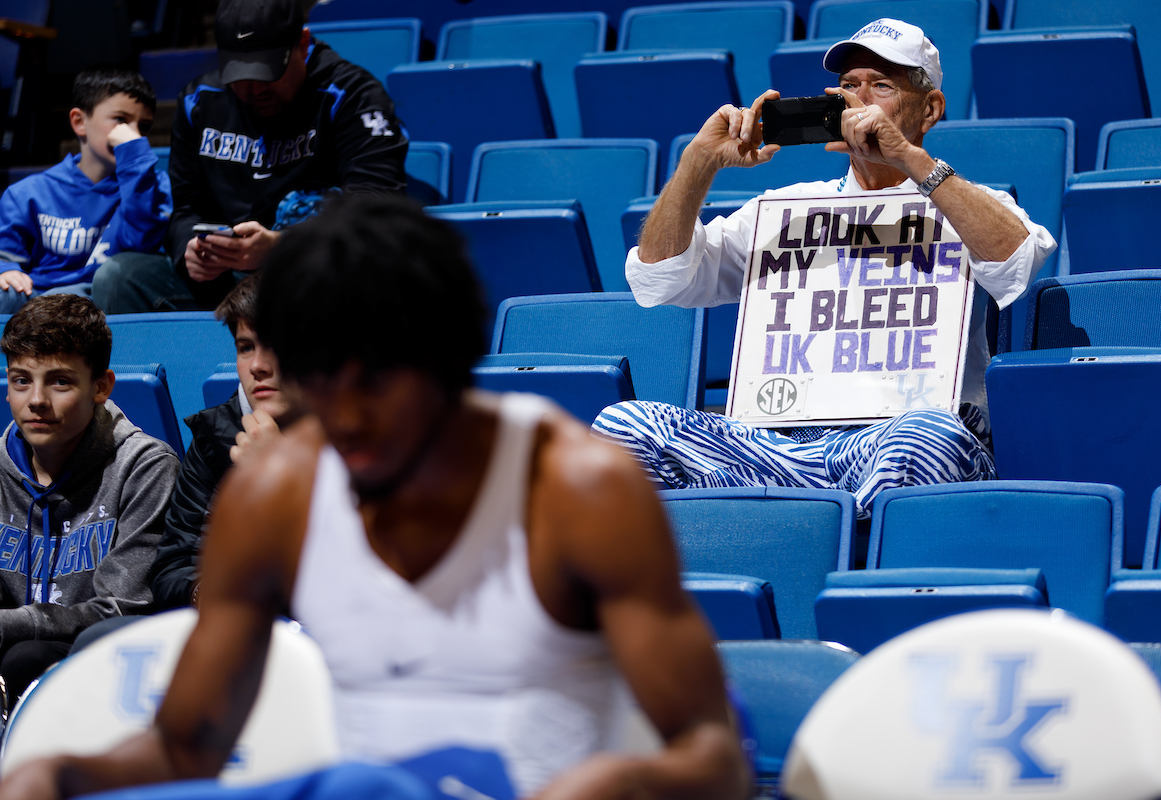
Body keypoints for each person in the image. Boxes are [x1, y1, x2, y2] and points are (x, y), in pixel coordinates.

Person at [0, 195, 747, 800]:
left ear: (449, 365)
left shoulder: (578, 489)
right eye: (320, 380)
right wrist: (59, 774)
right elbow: (187, 745)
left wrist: (625, 779)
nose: (346, 415)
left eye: (374, 385)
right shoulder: (274, 489)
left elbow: (717, 759)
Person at [593, 18, 1057, 519]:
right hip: (779, 445)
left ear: (930, 108)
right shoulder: (783, 209)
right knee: (622, 427)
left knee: (927, 440)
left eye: (882, 86)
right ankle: (765, 534)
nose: (860, 101)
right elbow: (657, 279)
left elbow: (1015, 263)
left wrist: (907, 158)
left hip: (899, 435)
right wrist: (698, 163)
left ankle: (808, 537)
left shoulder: (967, 203)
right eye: (849, 86)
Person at [92, 0, 408, 314]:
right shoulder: (198, 101)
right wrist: (190, 250)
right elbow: (184, 207)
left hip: (313, 275)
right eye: (240, 74)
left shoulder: (353, 94)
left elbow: (375, 210)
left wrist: (281, 246)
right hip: (226, 279)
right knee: (118, 277)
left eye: (267, 72)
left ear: (302, 43)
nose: (255, 89)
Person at [0, 295, 178, 699]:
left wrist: (13, 624)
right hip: (14, 640)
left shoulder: (145, 467)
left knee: (24, 657)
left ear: (101, 387)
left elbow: (122, 608)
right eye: (20, 380)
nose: (36, 401)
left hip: (103, 655)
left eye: (60, 381)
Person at [150, 272, 303, 610]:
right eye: (245, 348)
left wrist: (276, 481)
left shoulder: (363, 440)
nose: (258, 366)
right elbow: (173, 570)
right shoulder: (215, 435)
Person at [0, 67, 171, 314]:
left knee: (64, 304)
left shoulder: (152, 186)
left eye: (143, 127)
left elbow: (140, 246)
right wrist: (6, 270)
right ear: (80, 122)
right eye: (121, 120)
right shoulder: (28, 193)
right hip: (36, 296)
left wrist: (134, 159)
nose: (133, 134)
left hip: (99, 298)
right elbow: (5, 255)